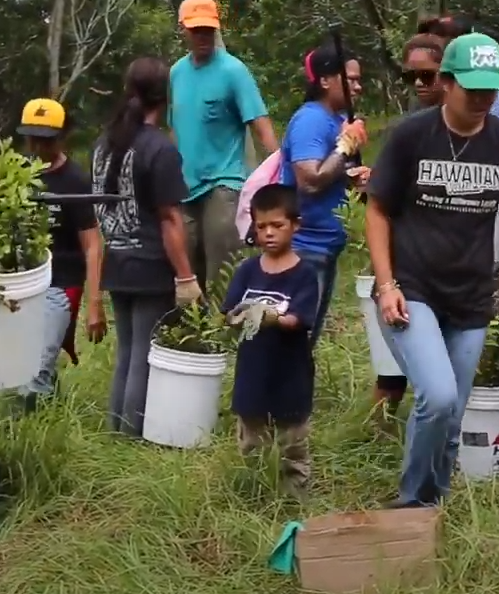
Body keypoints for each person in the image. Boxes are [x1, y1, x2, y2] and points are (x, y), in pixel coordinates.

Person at [367, 33, 499, 508]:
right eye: (472, 88)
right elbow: (378, 210)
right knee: (438, 396)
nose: (482, 99)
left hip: (471, 298)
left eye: (490, 89)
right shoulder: (412, 135)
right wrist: (386, 285)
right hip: (413, 290)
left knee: (451, 417)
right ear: (446, 83)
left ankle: (435, 505)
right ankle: (411, 503)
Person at [93, 56, 200, 438]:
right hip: (151, 264)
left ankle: (116, 430)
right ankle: (132, 434)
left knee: (126, 352)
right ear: (165, 96)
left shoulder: (104, 144)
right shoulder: (160, 148)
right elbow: (170, 219)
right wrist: (186, 276)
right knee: (144, 355)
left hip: (117, 259)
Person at [169, 0, 279, 290]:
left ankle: (225, 331)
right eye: (196, 30)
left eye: (208, 29)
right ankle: (195, 335)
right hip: (185, 186)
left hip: (223, 183)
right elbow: (173, 128)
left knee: (222, 273)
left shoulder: (233, 71)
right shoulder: (176, 73)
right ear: (183, 30)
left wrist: (280, 174)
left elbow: (259, 122)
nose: (203, 36)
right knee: (188, 275)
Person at [221, 185, 320, 497]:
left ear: (295, 225)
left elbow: (297, 319)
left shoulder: (304, 274)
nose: (269, 233)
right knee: (252, 441)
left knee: (292, 441)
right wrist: (235, 317)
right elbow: (228, 312)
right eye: (261, 226)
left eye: (277, 225)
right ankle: (254, 494)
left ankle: (294, 497)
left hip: (290, 374)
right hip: (252, 372)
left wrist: (270, 316)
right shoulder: (247, 270)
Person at [371, 33, 448, 428]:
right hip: (408, 263)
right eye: (410, 77)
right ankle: (383, 426)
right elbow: (384, 199)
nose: (419, 84)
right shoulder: (406, 130)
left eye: (428, 75)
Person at [15, 98, 108, 410]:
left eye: (47, 139)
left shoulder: (74, 181)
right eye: (33, 138)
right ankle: (51, 411)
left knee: (35, 369)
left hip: (61, 283)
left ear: (61, 137)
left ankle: (27, 435)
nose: (39, 146)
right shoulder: (19, 175)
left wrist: (94, 305)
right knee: (21, 363)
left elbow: (93, 244)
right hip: (24, 282)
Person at [280, 43, 370, 343]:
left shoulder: (334, 119)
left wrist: (354, 178)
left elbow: (330, 174)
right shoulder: (311, 120)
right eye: (350, 78)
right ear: (325, 80)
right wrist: (346, 146)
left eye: (359, 79)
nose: (357, 87)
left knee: (307, 338)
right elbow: (309, 180)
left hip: (325, 247)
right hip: (306, 247)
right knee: (296, 340)